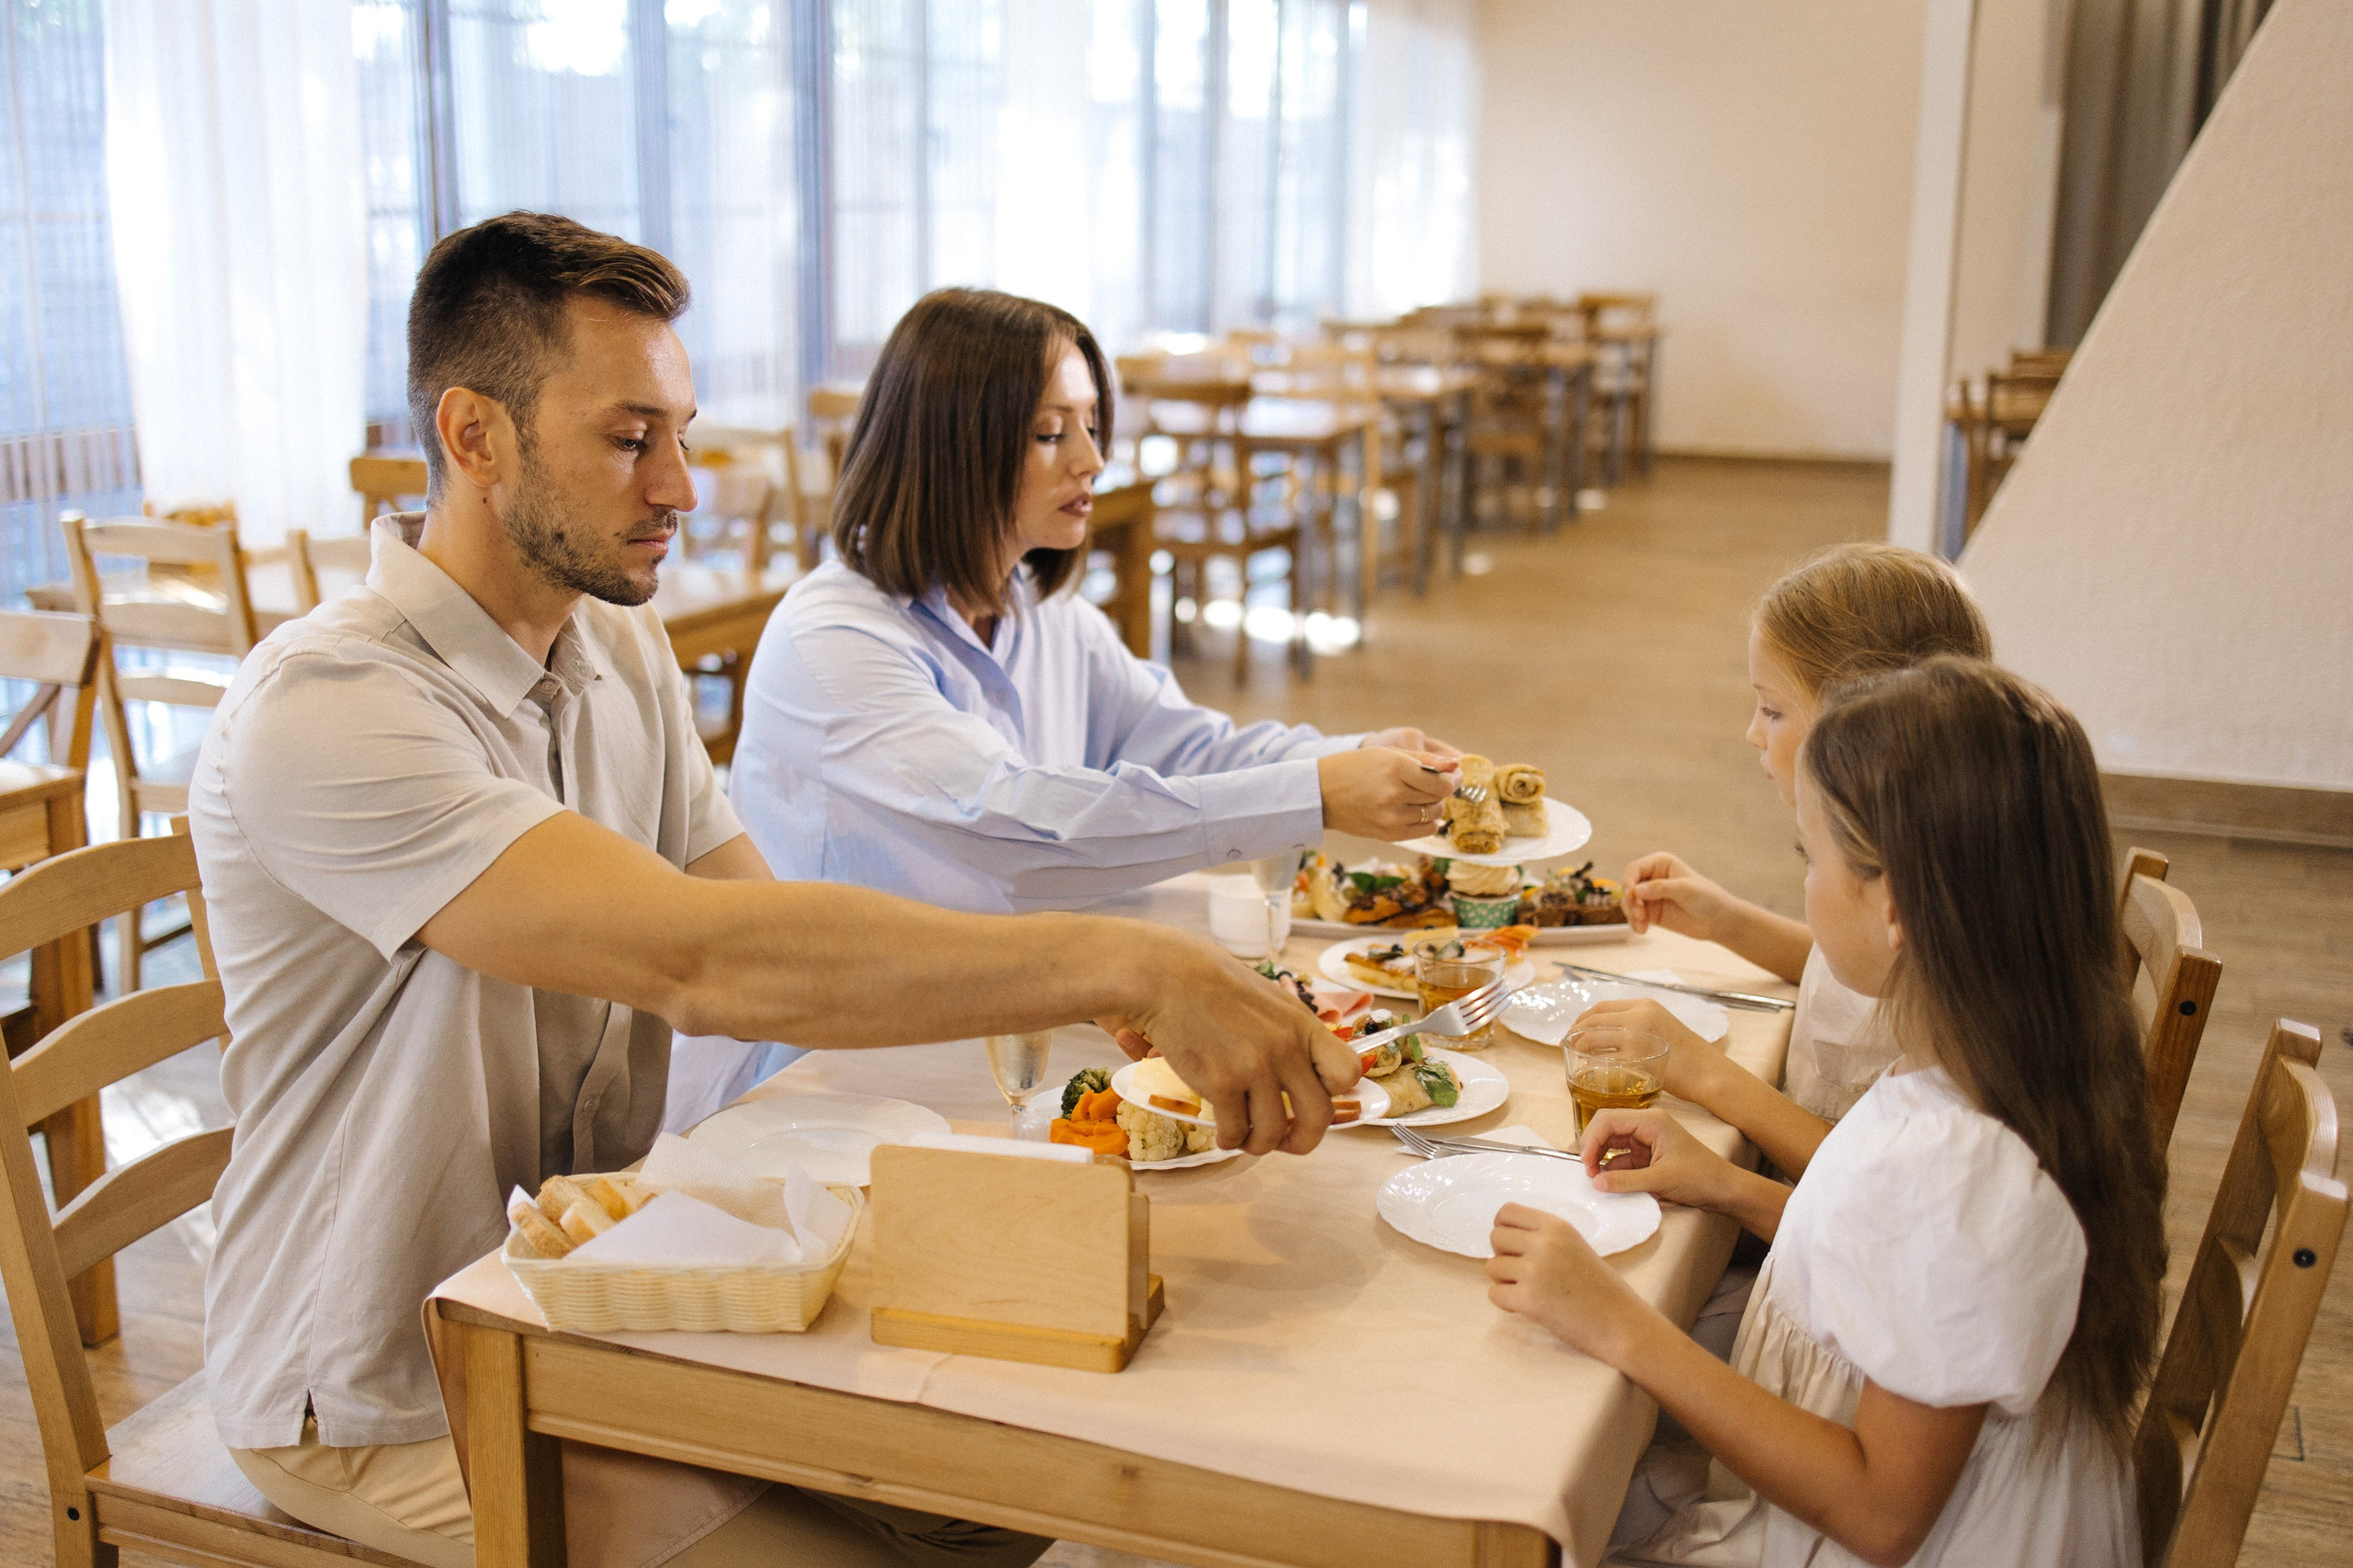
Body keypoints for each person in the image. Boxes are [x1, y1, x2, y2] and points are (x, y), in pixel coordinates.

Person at [189, 213, 1358, 1568]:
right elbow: (705, 965)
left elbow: (772, 928)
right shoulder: (337, 702)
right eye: (633, 441)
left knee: (999, 1489)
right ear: (474, 436)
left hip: (605, 1306)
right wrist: (1125, 964)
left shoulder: (616, 648)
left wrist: (1102, 1016)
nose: (684, 485)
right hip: (387, 1379)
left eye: (682, 431)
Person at [1490, 658, 2167, 1566]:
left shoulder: (1952, 1163)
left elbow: (1882, 1509)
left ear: (1893, 904)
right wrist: (1734, 1187)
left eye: (1810, 858)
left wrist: (1618, 1320)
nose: (1803, 886)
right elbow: (1914, 1284)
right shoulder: (2011, 1057)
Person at [726, 287, 1461, 918]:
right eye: (1050, 432)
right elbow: (1012, 824)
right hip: (837, 1054)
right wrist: (1312, 794)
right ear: (951, 445)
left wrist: (1350, 756)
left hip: (1002, 1003)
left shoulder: (1046, 615)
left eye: (1090, 424)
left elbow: (1187, 749)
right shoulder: (833, 640)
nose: (1092, 460)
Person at [1598, 544, 1994, 1180]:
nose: (1754, 732)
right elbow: (1856, 972)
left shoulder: (1945, 928)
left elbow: (1879, 1198)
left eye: (1773, 709)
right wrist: (1727, 921)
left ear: (1863, 723)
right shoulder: (1922, 858)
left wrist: (1707, 1074)